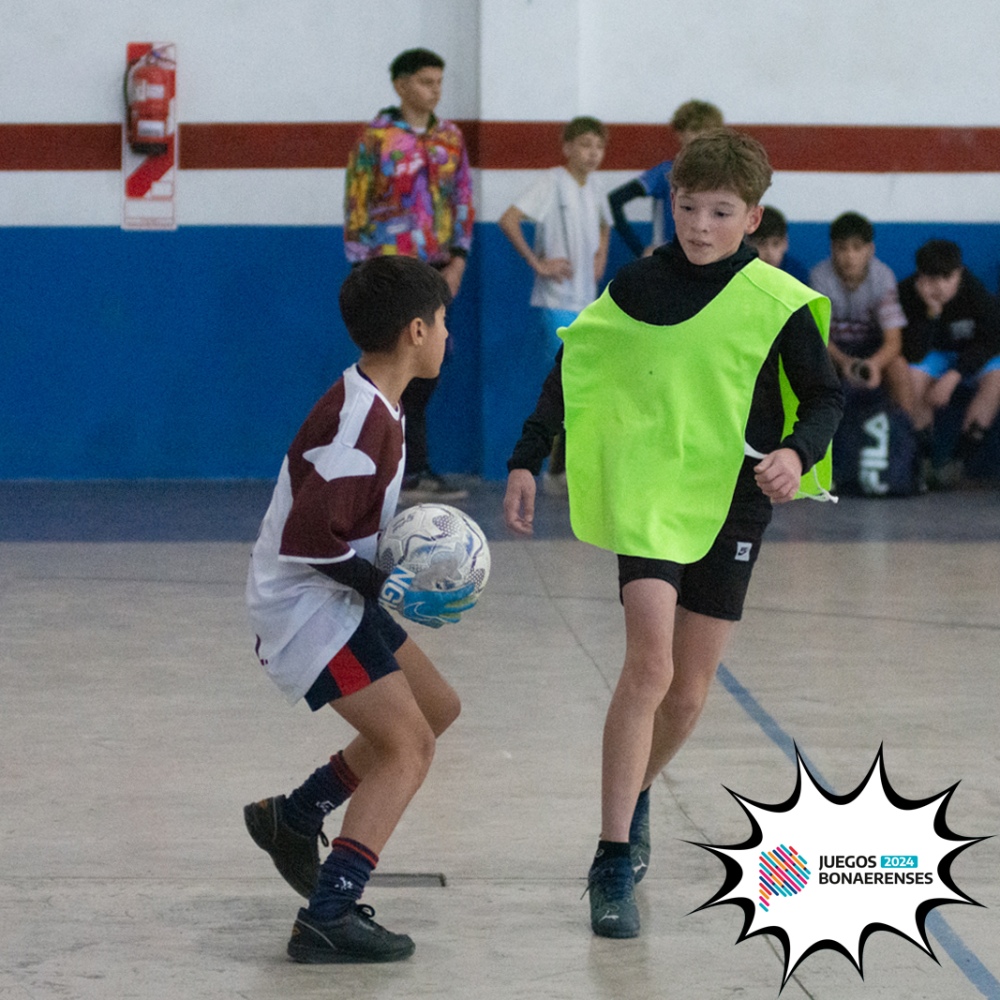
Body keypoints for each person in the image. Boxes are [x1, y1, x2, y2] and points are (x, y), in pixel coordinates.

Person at [503, 129, 842, 939]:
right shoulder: (637, 283)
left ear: (752, 216)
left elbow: (825, 397)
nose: (698, 224)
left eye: (719, 211)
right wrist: (527, 455)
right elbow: (574, 364)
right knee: (649, 665)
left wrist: (797, 452)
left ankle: (637, 787)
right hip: (652, 493)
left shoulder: (777, 300)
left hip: (733, 504)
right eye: (688, 207)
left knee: (688, 695)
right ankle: (612, 857)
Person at [245, 256, 476, 963]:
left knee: (436, 707)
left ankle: (298, 813)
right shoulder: (359, 421)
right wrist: (388, 584)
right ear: (415, 330)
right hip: (307, 606)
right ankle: (329, 912)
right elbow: (309, 536)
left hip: (335, 591)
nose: (448, 335)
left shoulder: (381, 403)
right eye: (443, 322)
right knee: (410, 747)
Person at [344, 47, 474, 501]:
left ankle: (412, 466)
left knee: (429, 367)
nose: (434, 90)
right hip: (388, 268)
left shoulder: (451, 139)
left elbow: (463, 198)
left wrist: (458, 259)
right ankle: (394, 468)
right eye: (424, 81)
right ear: (401, 85)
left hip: (436, 270)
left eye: (438, 82)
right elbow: (356, 204)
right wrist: (366, 272)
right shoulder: (375, 139)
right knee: (392, 364)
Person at [498, 116, 612, 494]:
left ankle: (565, 467)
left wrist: (600, 258)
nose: (592, 153)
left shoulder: (597, 187)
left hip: (587, 302)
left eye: (598, 146)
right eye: (584, 144)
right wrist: (537, 262)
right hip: (556, 301)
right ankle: (557, 469)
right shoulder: (551, 182)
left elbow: (604, 225)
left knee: (584, 383)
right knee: (568, 382)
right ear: (567, 148)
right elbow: (509, 219)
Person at [898, 239, 1000, 486]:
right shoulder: (906, 294)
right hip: (933, 356)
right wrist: (931, 312)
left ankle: (957, 463)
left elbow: (992, 340)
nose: (941, 286)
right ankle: (923, 462)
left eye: (948, 277)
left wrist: (954, 375)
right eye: (932, 279)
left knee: (997, 379)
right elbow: (911, 352)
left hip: (970, 356)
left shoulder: (975, 293)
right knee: (911, 376)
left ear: (960, 273)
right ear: (919, 277)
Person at [808, 212, 911, 410]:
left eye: (857, 248)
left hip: (871, 348)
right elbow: (818, 336)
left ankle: (908, 434)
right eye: (842, 248)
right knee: (808, 364)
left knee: (898, 367)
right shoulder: (819, 277)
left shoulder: (883, 277)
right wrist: (845, 362)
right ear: (832, 249)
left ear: (870, 250)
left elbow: (893, 341)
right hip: (832, 351)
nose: (850, 256)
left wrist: (873, 364)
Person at [607, 99, 723, 259]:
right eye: (695, 129)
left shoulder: (723, 176)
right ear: (680, 133)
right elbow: (615, 200)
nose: (701, 137)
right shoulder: (666, 173)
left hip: (708, 260)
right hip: (668, 261)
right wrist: (640, 249)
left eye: (708, 131)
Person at [745, 205, 809, 283]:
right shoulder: (739, 271)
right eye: (762, 244)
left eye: (776, 244)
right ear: (748, 243)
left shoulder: (796, 274)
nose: (769, 252)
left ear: (785, 243)